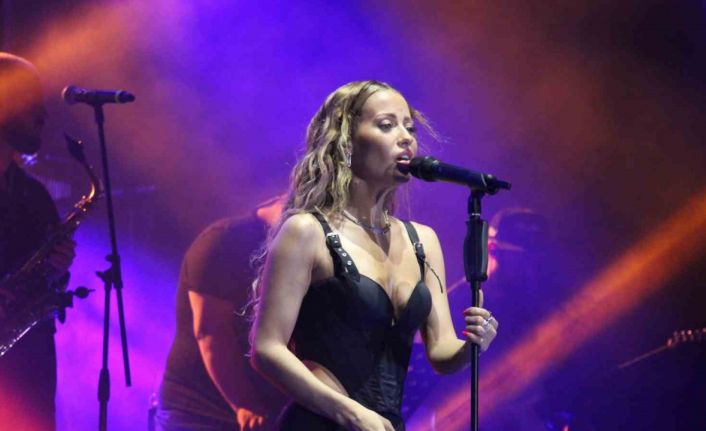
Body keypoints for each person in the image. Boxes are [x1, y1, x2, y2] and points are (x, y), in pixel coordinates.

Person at [250, 80, 499, 431]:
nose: (406, 138)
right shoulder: (307, 231)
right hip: (321, 423)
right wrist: (351, 413)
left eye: (409, 127)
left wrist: (471, 346)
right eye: (386, 125)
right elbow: (266, 349)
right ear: (346, 142)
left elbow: (441, 351)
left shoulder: (423, 241)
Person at [156, 198, 287, 431]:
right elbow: (210, 333)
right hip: (200, 412)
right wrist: (246, 405)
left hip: (267, 410)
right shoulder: (224, 241)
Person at [0, 52, 76, 431]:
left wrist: (57, 268)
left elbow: (50, 286)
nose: (43, 115)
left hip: (27, 365)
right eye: (31, 102)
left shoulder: (34, 195)